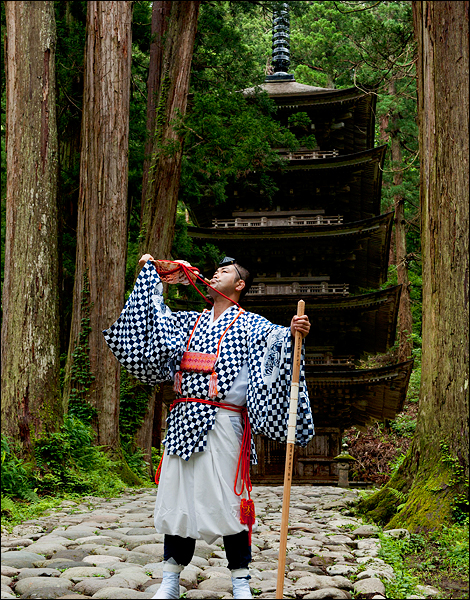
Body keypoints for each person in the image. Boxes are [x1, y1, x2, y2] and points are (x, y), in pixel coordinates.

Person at [103, 255, 315, 599]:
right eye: (215, 271)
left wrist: (293, 333)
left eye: (226, 272)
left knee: (231, 504)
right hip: (183, 421)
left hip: (224, 422)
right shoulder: (188, 322)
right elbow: (154, 323)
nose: (216, 274)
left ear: (240, 284)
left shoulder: (253, 325)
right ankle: (170, 579)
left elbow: (279, 340)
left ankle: (240, 582)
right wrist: (153, 276)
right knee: (179, 502)